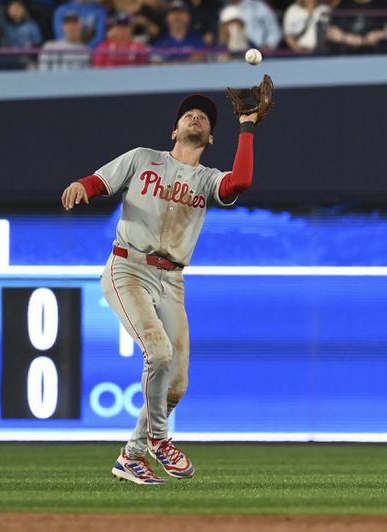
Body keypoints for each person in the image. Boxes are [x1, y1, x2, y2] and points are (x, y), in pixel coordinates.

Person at [59, 93, 266, 485]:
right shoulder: (142, 159)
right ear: (174, 129)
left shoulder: (207, 179)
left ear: (209, 138)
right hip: (128, 268)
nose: (195, 117)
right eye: (188, 114)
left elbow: (241, 181)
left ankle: (131, 455)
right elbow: (99, 181)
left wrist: (248, 126)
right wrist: (81, 186)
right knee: (157, 350)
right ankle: (158, 439)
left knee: (178, 383)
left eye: (203, 118)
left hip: (171, 279)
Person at [0, 0, 42, 69]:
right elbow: (2, 45)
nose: (15, 11)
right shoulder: (4, 27)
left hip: (27, 60)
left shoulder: (32, 26)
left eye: (18, 8)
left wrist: (30, 47)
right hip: (7, 60)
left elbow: (38, 45)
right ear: (7, 11)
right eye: (13, 8)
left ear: (25, 11)